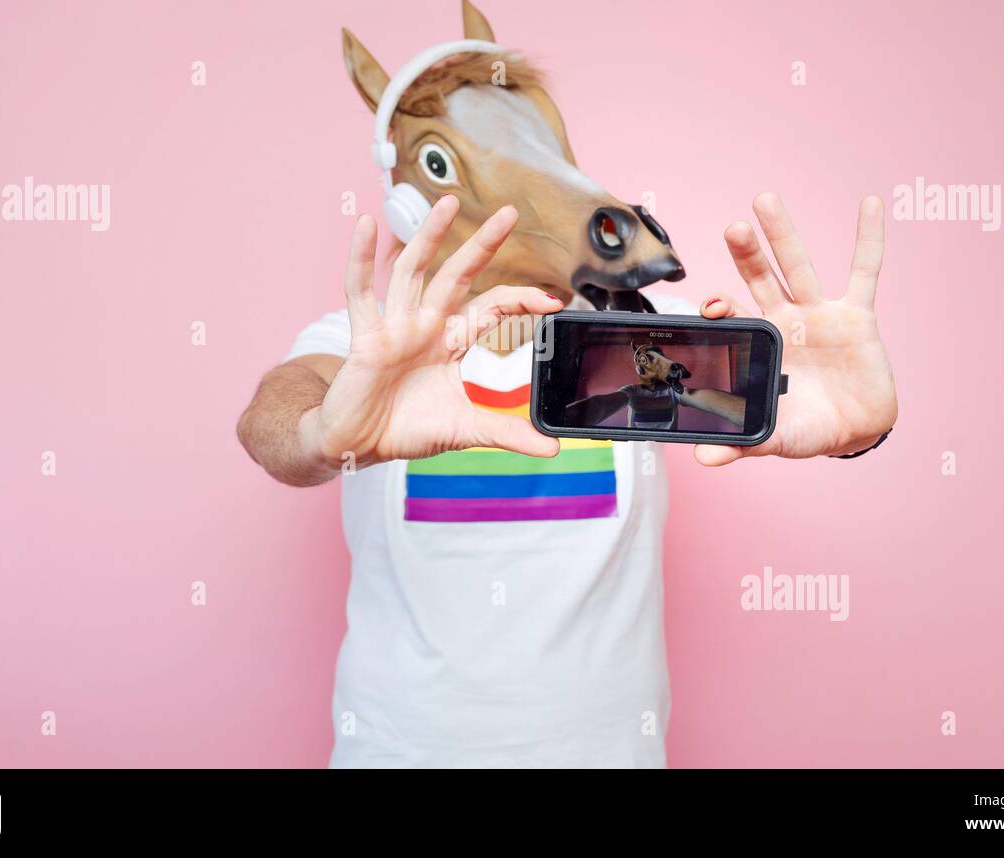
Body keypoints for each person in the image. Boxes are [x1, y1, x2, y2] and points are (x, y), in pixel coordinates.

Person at [237, 191, 897, 767]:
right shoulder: (364, 342)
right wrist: (318, 436)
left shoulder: (647, 329)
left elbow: (779, 399)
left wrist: (854, 427)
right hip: (396, 751)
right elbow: (271, 421)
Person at [564, 343, 747, 432]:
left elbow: (699, 397)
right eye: (649, 360)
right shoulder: (633, 392)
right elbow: (604, 404)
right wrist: (566, 419)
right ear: (639, 367)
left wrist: (749, 414)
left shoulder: (673, 391)